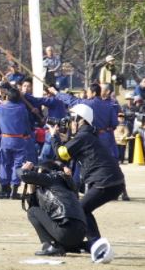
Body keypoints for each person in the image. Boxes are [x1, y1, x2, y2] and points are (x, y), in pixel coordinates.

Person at [54, 104, 125, 254]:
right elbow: (66, 155)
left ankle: (95, 244)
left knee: (80, 209)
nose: (70, 123)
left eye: (72, 119)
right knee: (84, 209)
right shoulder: (86, 134)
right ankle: (94, 243)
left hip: (105, 181)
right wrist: (65, 139)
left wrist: (54, 137)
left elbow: (62, 154)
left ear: (81, 120)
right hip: (112, 181)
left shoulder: (84, 135)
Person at [20, 160, 87, 256]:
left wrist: (25, 169)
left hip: (65, 231)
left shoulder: (52, 177)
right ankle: (77, 245)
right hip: (80, 232)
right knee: (35, 210)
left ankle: (50, 246)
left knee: (32, 211)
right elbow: (36, 207)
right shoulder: (66, 183)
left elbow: (24, 175)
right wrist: (32, 186)